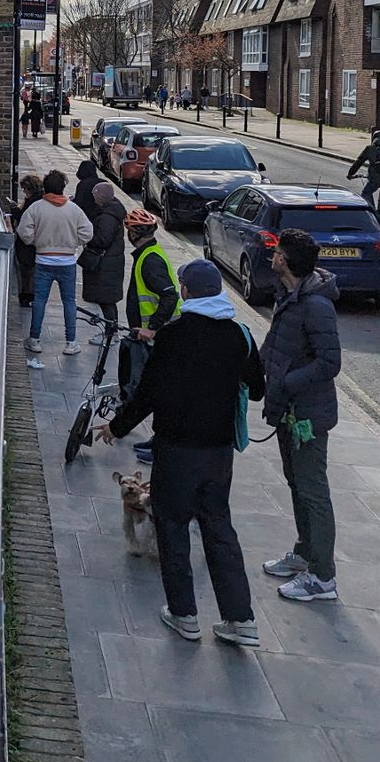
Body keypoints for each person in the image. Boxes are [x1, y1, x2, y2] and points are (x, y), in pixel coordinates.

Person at [97, 260, 265, 646]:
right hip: (220, 453)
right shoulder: (240, 333)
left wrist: (117, 426)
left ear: (186, 291)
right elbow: (257, 388)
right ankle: (241, 620)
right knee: (219, 527)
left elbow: (148, 392)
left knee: (172, 527)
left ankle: (184, 614)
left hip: (175, 450)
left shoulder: (173, 335)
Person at [261, 228, 341, 603]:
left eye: (276, 252)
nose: (272, 256)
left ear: (287, 261)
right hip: (287, 410)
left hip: (307, 416)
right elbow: (277, 344)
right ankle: (305, 554)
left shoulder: (316, 306)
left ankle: (323, 577)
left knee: (314, 492)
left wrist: (288, 382)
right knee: (297, 485)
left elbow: (330, 363)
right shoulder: (291, 297)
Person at [123, 207, 182, 463]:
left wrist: (152, 328)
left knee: (160, 390)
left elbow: (170, 295)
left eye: (129, 230)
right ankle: (157, 439)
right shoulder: (147, 254)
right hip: (154, 334)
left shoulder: (150, 260)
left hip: (160, 337)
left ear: (135, 232)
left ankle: (162, 445)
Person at [16, 169, 92, 359]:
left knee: (40, 300)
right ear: (63, 187)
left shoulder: (36, 208)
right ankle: (71, 342)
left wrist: (36, 241)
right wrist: (74, 242)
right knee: (69, 302)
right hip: (67, 261)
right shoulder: (74, 209)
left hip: (43, 259)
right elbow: (87, 233)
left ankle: (34, 339)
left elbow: (23, 232)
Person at [81, 181, 126, 335]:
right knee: (108, 300)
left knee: (106, 300)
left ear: (100, 197)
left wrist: (86, 237)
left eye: (95, 194)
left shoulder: (107, 217)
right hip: (111, 263)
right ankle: (111, 330)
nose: (93, 197)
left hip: (105, 265)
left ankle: (110, 333)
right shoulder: (111, 211)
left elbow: (103, 240)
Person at [10, 173, 44, 309]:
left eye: (25, 189)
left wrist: (14, 209)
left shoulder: (32, 202)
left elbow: (24, 217)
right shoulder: (38, 200)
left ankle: (27, 296)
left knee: (27, 270)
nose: (24, 192)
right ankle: (29, 295)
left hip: (27, 242)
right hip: (34, 241)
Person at [347, 128, 380, 211]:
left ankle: (372, 211)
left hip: (375, 178)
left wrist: (351, 173)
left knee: (366, 192)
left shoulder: (370, 148)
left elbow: (358, 162)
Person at [72, 159, 100, 223]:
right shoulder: (103, 183)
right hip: (101, 215)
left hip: (87, 217)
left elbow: (78, 203)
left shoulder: (82, 184)